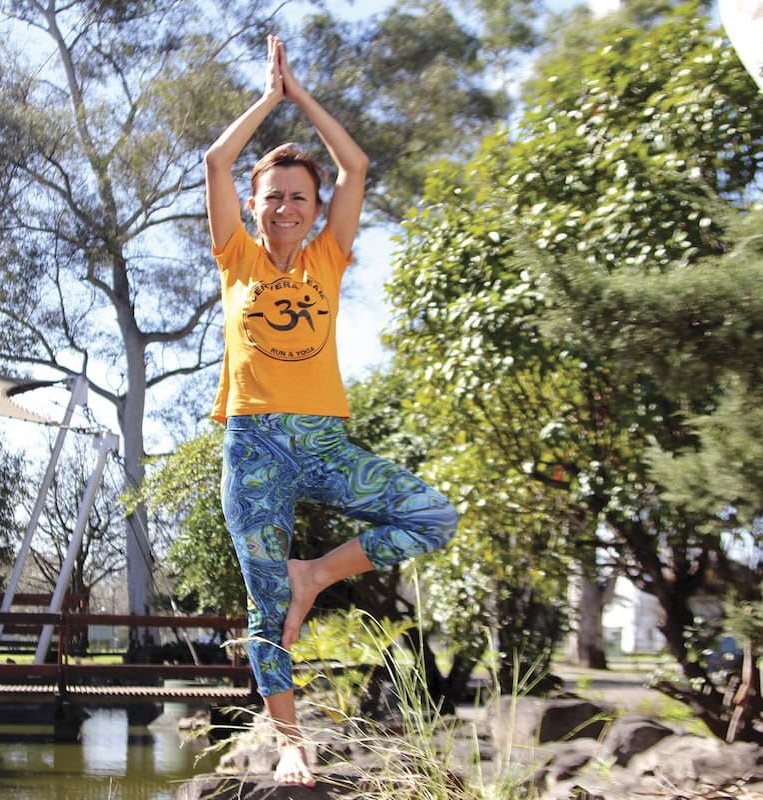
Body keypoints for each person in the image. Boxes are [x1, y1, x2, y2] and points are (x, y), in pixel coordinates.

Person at [204, 34, 459, 787]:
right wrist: (266, 100)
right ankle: (290, 742)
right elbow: (216, 162)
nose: (286, 205)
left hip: (322, 443)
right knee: (264, 603)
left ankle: (317, 572)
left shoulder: (328, 257)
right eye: (273, 195)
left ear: (316, 211)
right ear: (254, 206)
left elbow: (357, 167)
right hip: (253, 450)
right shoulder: (236, 257)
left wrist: (300, 95)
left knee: (432, 516)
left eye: (299, 197)